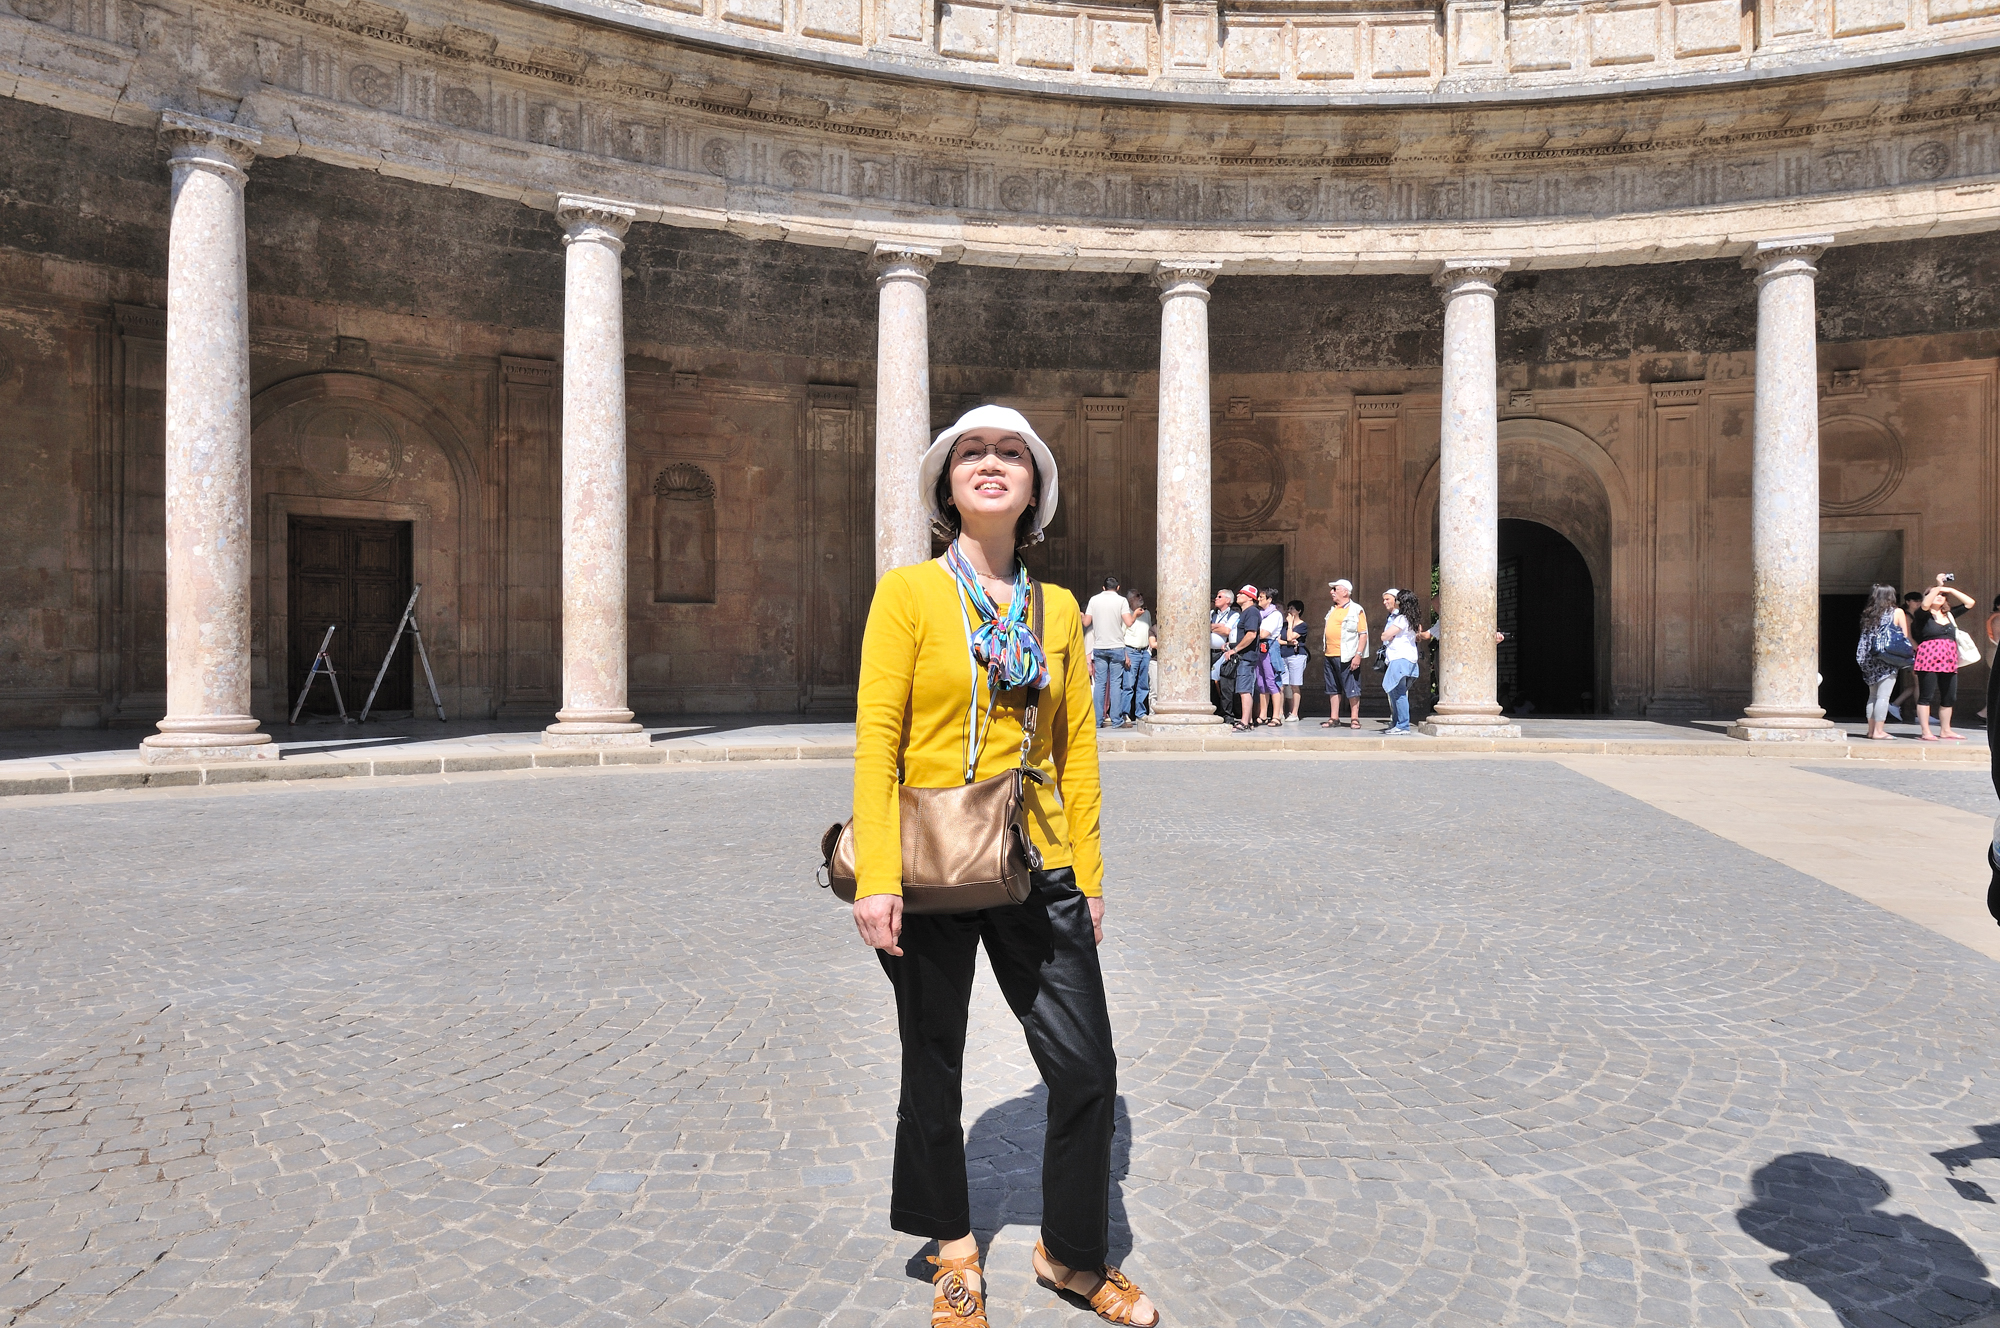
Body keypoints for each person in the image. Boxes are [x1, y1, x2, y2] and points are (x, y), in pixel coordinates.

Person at [850, 404, 1156, 1328]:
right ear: (947, 486)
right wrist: (876, 875)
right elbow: (878, 741)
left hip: (1038, 861)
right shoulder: (908, 593)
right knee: (931, 1064)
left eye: (1010, 454)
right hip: (930, 861)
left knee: (1087, 1067)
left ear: (1036, 489)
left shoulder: (1056, 608)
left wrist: (1089, 875)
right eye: (971, 453)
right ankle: (952, 1247)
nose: (990, 464)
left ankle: (1070, 1254)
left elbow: (1077, 750)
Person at [1912, 574, 1977, 741]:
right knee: (1926, 695)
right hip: (1928, 657)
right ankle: (1926, 731)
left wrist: (1950, 590)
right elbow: (1925, 604)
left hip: (1948, 658)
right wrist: (1938, 586)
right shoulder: (1923, 615)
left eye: (1943, 595)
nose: (1940, 596)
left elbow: (1970, 603)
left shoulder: (1949, 615)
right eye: (1936, 594)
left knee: (1949, 696)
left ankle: (1946, 730)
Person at [1855, 584, 1911, 741]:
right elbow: (1904, 636)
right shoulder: (1897, 612)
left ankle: (1871, 730)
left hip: (1869, 659)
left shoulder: (1869, 613)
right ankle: (1879, 731)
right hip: (1887, 658)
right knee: (1883, 697)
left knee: (1873, 696)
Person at [1082, 575, 1131, 729]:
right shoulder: (1121, 600)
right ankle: (1116, 720)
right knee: (1116, 684)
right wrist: (1135, 615)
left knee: (1100, 684)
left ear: (1103, 588)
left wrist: (1082, 615)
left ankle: (1097, 720)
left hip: (1099, 646)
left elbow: (1086, 622)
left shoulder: (1094, 600)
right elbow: (1128, 622)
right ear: (1118, 587)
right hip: (1117, 646)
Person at [1320, 579, 1368, 730]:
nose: (1332, 592)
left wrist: (1358, 655)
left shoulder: (1356, 610)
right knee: (1332, 687)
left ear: (1345, 592)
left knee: (1352, 687)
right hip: (1330, 654)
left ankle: (1354, 718)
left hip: (1347, 655)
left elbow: (1363, 634)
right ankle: (1334, 717)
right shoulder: (1333, 609)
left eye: (1335, 589)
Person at [1380, 587, 1423, 735]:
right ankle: (1397, 723)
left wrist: (1387, 635)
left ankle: (1402, 725)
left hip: (1399, 658)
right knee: (1398, 692)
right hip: (1410, 659)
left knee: (1398, 693)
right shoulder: (1413, 620)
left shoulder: (1401, 619)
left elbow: (1385, 636)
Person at [1222, 585, 1264, 732]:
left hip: (1246, 657)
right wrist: (1230, 645)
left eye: (1242, 593)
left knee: (1244, 690)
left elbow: (1251, 634)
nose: (1238, 595)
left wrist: (1235, 650)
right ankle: (1248, 720)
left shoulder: (1251, 612)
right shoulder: (1245, 613)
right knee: (1242, 689)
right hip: (1242, 655)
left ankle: (1244, 722)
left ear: (1250, 598)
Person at [1889, 588, 1926, 721]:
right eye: (1915, 601)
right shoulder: (1907, 616)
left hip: (1914, 651)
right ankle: (1919, 714)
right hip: (1913, 651)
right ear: (1908, 602)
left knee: (1918, 682)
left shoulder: (1915, 615)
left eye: (1920, 600)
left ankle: (1895, 704)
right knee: (1919, 683)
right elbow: (1908, 636)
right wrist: (1919, 650)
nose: (1918, 603)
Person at [1120, 590, 1154, 725]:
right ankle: (1125, 713)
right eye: (1137, 596)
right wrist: (1125, 655)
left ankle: (1140, 713)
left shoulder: (1147, 613)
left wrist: (1149, 651)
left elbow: (1150, 631)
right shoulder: (1126, 615)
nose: (1140, 597)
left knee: (1143, 685)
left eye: (1141, 595)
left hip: (1144, 651)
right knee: (1128, 685)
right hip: (1131, 651)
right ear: (1130, 600)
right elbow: (1121, 635)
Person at [1253, 588, 1284, 726]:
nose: (1259, 599)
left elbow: (1265, 633)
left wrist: (1252, 632)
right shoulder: (1260, 613)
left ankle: (1276, 715)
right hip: (1259, 648)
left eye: (1261, 597)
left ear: (1269, 599)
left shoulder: (1275, 615)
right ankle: (1263, 714)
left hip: (1269, 647)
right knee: (1261, 682)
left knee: (1272, 681)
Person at [1279, 599, 1308, 722]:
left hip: (1296, 656)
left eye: (1292, 608)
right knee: (1281, 685)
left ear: (1299, 611)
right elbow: (1279, 640)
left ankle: (1294, 713)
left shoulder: (1302, 625)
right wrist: (1288, 643)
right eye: (1288, 608)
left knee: (1294, 685)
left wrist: (1290, 624)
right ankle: (1280, 712)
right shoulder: (1284, 625)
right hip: (1283, 655)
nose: (1289, 611)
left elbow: (1290, 636)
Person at [1209, 589, 1236, 717]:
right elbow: (1204, 626)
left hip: (1223, 652)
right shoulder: (1212, 613)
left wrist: (1212, 627)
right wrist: (1219, 626)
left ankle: (1227, 712)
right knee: (1210, 682)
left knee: (1224, 683)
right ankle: (1213, 708)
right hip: (1209, 653)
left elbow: (1227, 631)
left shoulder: (1234, 615)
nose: (1216, 599)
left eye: (1219, 597)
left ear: (1228, 600)